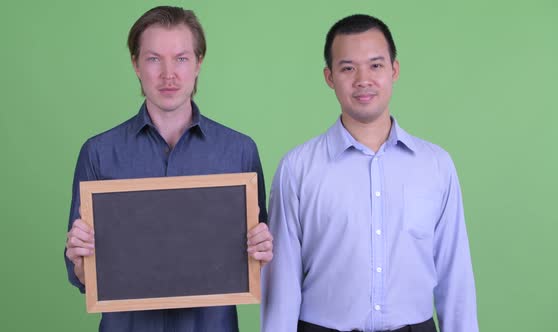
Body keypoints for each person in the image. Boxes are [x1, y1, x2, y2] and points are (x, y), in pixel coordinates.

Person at [262, 14, 478, 332]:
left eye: (376, 65)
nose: (363, 79)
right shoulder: (297, 168)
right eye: (348, 68)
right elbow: (282, 282)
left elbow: (454, 275)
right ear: (329, 77)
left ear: (395, 70)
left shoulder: (436, 165)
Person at [64, 6, 273, 332]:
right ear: (135, 64)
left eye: (181, 58)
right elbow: (81, 276)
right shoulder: (99, 153)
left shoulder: (239, 151)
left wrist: (262, 251)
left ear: (199, 62)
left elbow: (259, 265)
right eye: (153, 59)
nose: (168, 74)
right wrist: (81, 261)